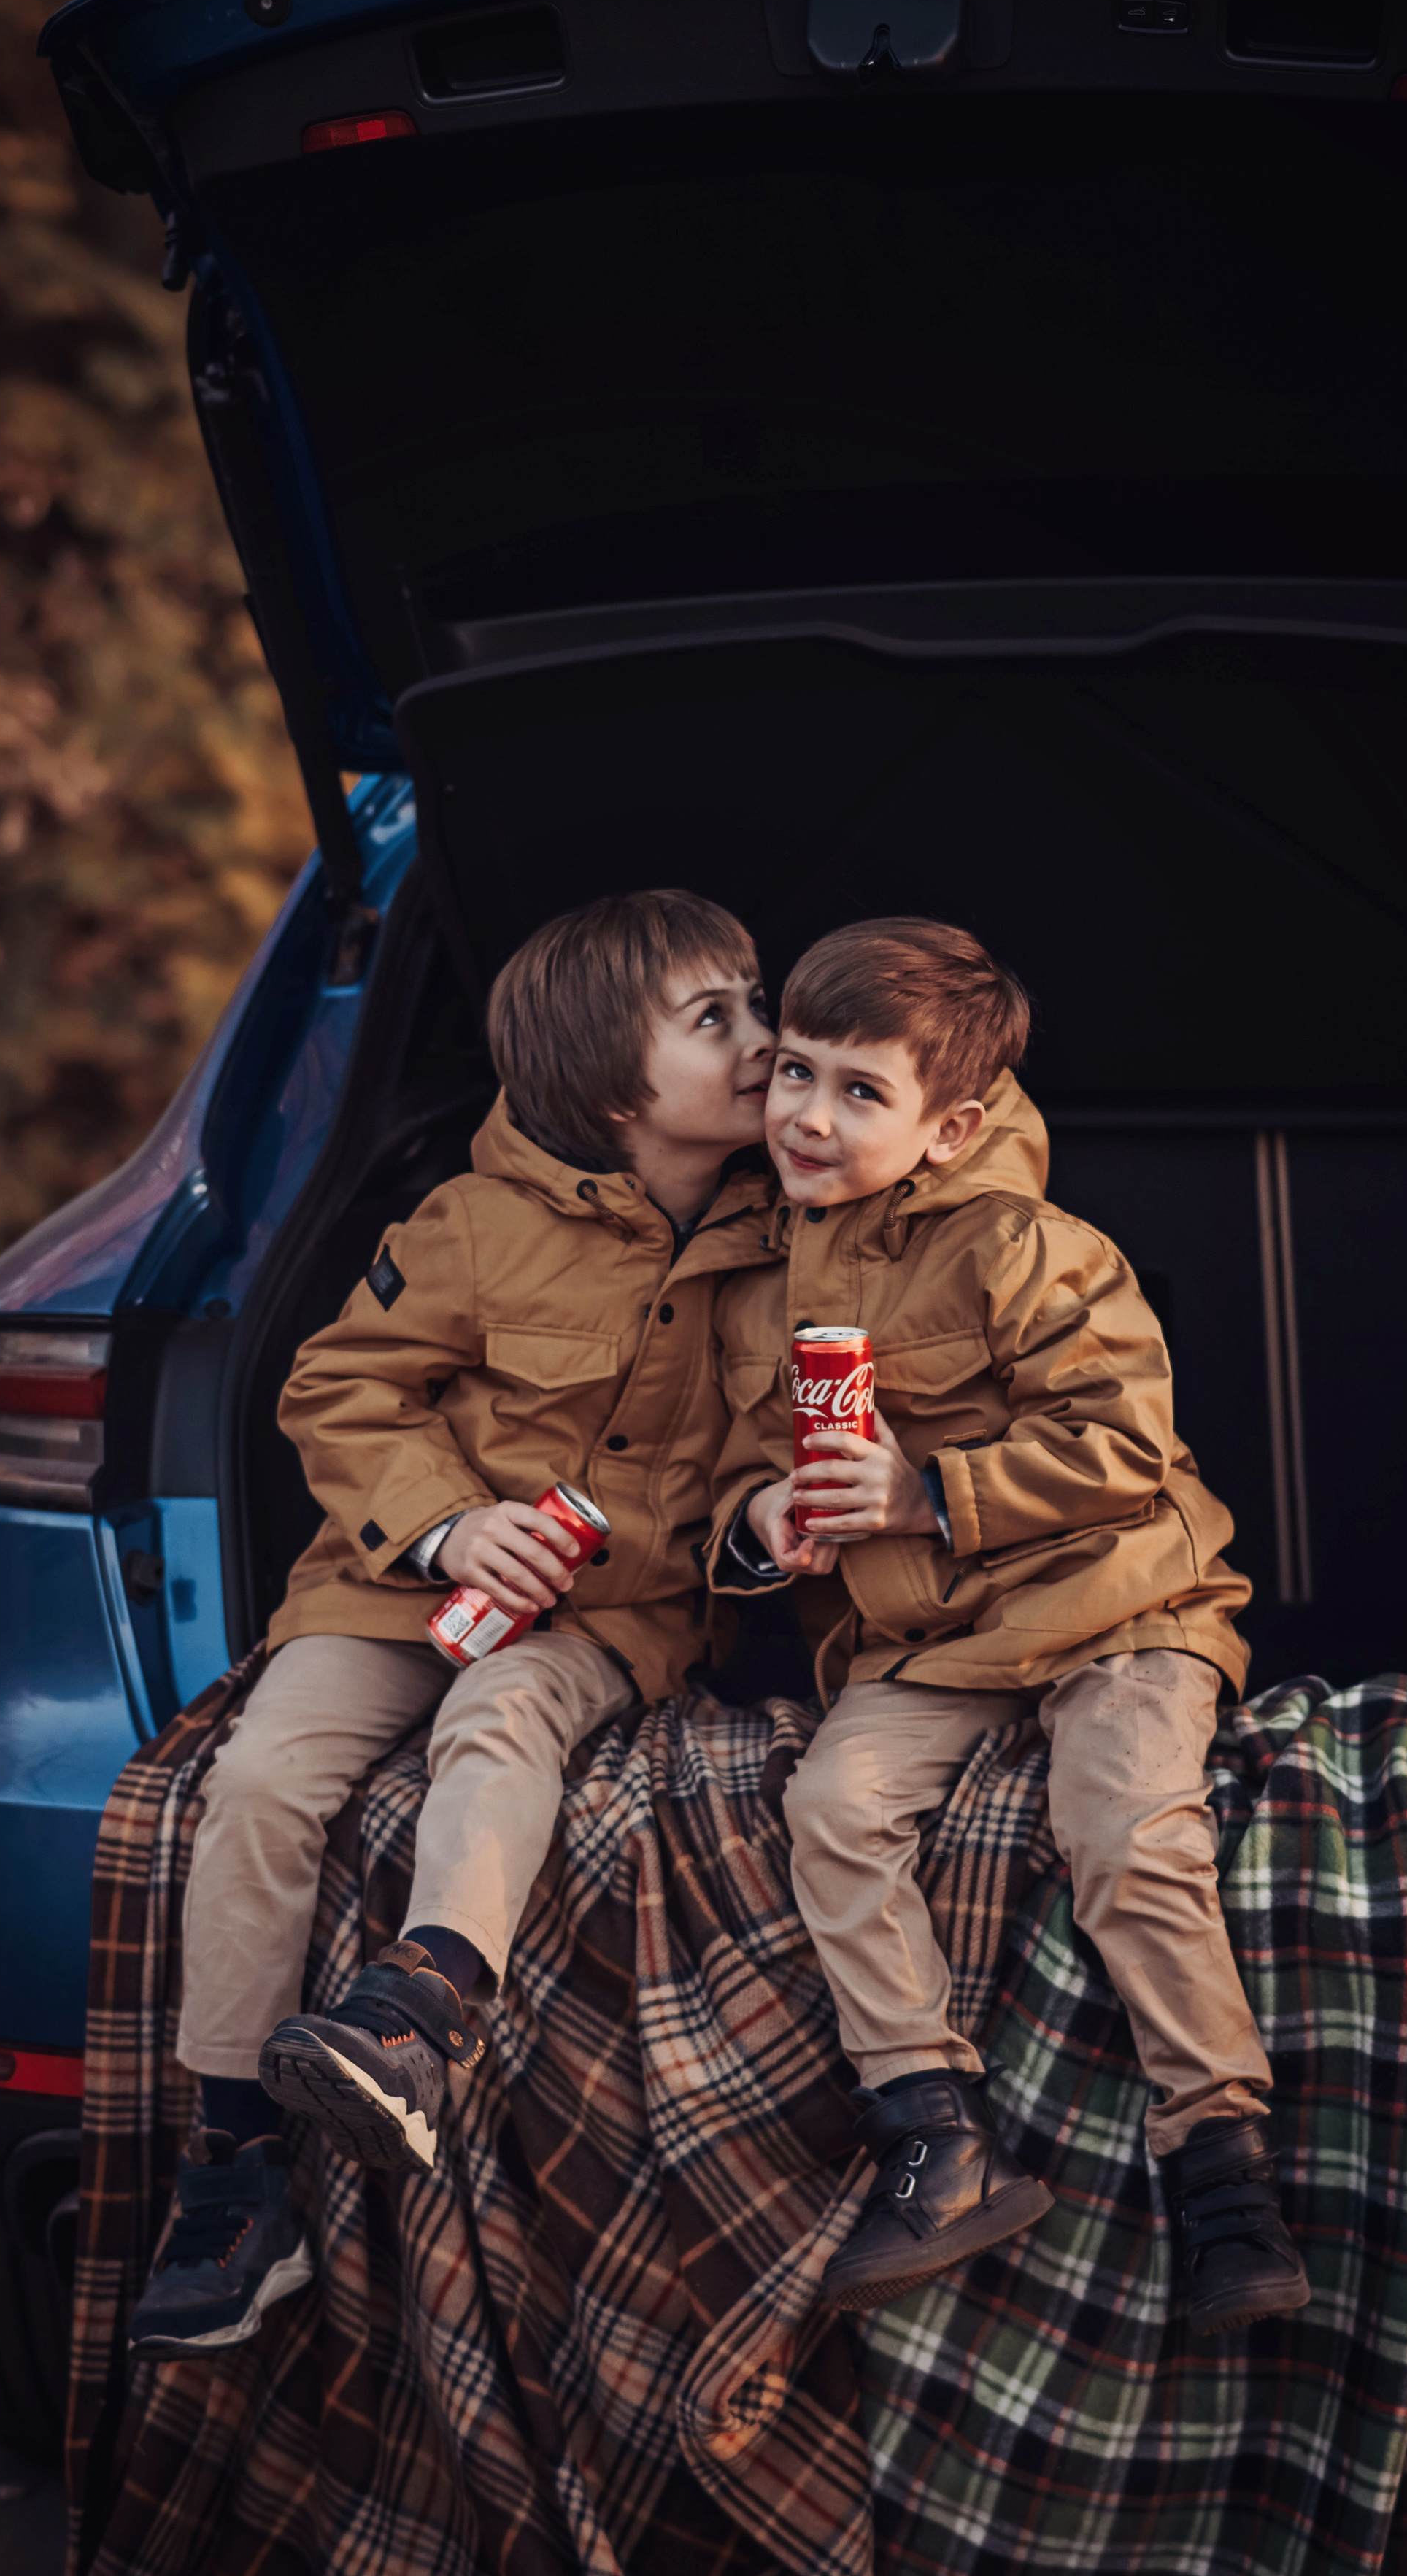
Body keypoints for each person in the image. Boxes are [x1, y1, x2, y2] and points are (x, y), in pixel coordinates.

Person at [128, 890, 778, 2358]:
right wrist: (445, 1524)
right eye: (715, 1018)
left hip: (601, 1620)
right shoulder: (473, 1228)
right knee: (260, 1777)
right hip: (394, 1586)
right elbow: (337, 1389)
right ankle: (231, 2170)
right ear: (616, 1086)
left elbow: (756, 1455)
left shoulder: (790, 1243)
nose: (763, 1038)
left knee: (503, 1722)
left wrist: (752, 1526)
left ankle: (416, 2014)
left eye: (756, 1001)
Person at [708, 917, 1308, 2337]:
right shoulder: (751, 1275)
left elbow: (1123, 1442)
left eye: (861, 1092)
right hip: (928, 1639)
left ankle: (1218, 2162)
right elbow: (742, 1459)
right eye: (795, 1072)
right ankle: (931, 2132)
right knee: (832, 1806)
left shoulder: (1028, 1245)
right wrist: (762, 1521)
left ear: (948, 1123)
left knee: (1125, 1828)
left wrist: (925, 1492)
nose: (807, 1112)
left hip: (1116, 1600)